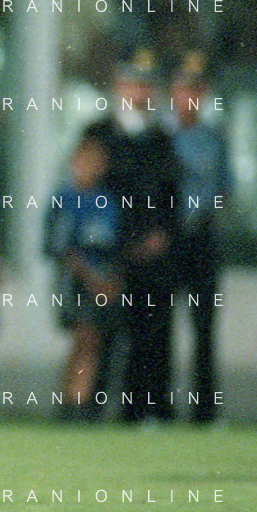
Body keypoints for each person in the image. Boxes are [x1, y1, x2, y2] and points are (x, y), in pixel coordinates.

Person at [84, 53, 182, 423]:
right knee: (100, 333)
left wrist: (162, 235)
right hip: (107, 252)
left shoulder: (161, 140)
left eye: (145, 85)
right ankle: (90, 408)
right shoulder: (98, 134)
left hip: (152, 253)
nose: (139, 92)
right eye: (132, 84)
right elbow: (85, 189)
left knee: (151, 335)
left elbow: (172, 196)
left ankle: (143, 410)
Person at [166, 54, 232, 423]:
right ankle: (157, 406)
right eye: (182, 89)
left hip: (202, 237)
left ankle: (205, 410)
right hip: (169, 238)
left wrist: (210, 215)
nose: (188, 97)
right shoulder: (161, 137)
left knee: (204, 327)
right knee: (159, 326)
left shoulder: (214, 137)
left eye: (195, 90)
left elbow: (225, 188)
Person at [44, 132, 122, 422]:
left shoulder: (106, 201)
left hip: (102, 281)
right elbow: (61, 248)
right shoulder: (65, 199)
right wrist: (92, 280)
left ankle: (78, 400)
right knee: (85, 337)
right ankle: (73, 401)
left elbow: (114, 245)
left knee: (92, 341)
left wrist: (111, 281)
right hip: (76, 282)